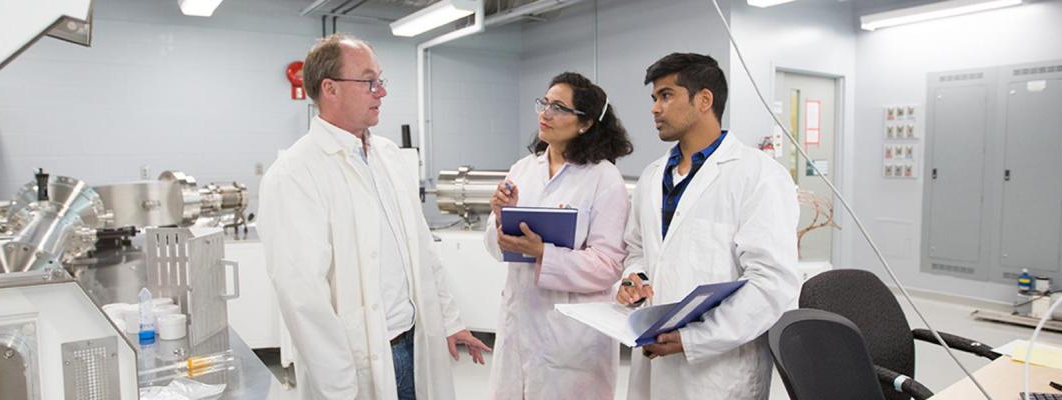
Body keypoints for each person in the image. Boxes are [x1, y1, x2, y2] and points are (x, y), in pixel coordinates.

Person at [258, 33, 491, 400]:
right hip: (360, 362)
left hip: (415, 341)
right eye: (369, 82)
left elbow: (422, 249)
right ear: (330, 89)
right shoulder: (293, 175)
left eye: (380, 80)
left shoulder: (388, 155)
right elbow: (303, 298)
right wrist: (340, 387)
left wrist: (449, 320)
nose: (381, 92)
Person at [614, 52, 800, 400]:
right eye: (654, 98)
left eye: (666, 96)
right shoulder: (652, 177)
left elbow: (772, 282)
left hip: (718, 373)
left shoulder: (759, 175)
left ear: (704, 100)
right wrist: (633, 280)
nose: (655, 108)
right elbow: (638, 252)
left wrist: (696, 338)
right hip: (653, 359)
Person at [483, 72, 633, 400]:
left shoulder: (603, 178)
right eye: (545, 103)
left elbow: (609, 265)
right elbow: (495, 247)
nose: (546, 113)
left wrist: (543, 253)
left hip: (572, 338)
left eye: (559, 108)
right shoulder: (523, 168)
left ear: (586, 123)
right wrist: (500, 218)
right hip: (519, 323)